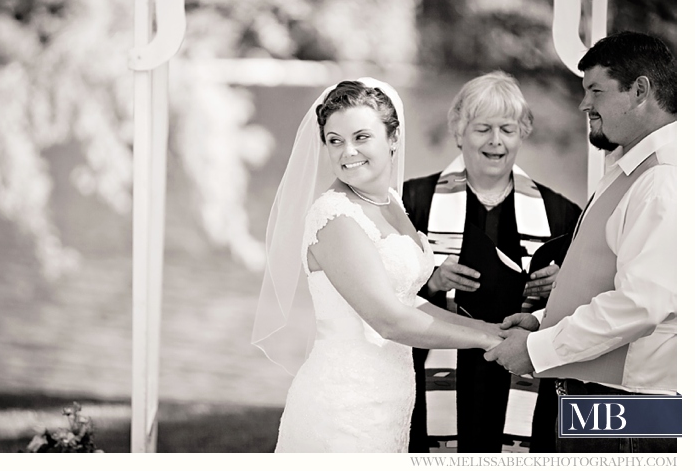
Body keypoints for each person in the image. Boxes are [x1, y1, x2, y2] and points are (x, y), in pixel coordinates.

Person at [252, 78, 504, 453]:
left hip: (389, 401)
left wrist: (492, 327)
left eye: (361, 137)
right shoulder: (335, 217)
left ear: (393, 138)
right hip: (343, 407)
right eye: (334, 140)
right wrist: (491, 342)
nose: (347, 151)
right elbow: (389, 319)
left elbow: (406, 301)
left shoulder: (390, 202)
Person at [485, 31, 677, 453]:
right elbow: (602, 274)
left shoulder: (665, 178)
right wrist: (543, 320)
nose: (583, 104)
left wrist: (538, 348)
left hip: (631, 410)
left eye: (595, 90)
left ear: (640, 90)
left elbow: (641, 303)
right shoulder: (632, 167)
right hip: (603, 401)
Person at [402, 71, 581, 453]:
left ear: (523, 133)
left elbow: (587, 301)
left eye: (508, 129)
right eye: (483, 128)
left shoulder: (560, 214)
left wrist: (561, 286)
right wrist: (430, 281)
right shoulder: (411, 202)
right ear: (458, 131)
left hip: (520, 372)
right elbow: (380, 293)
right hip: (432, 372)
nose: (496, 141)